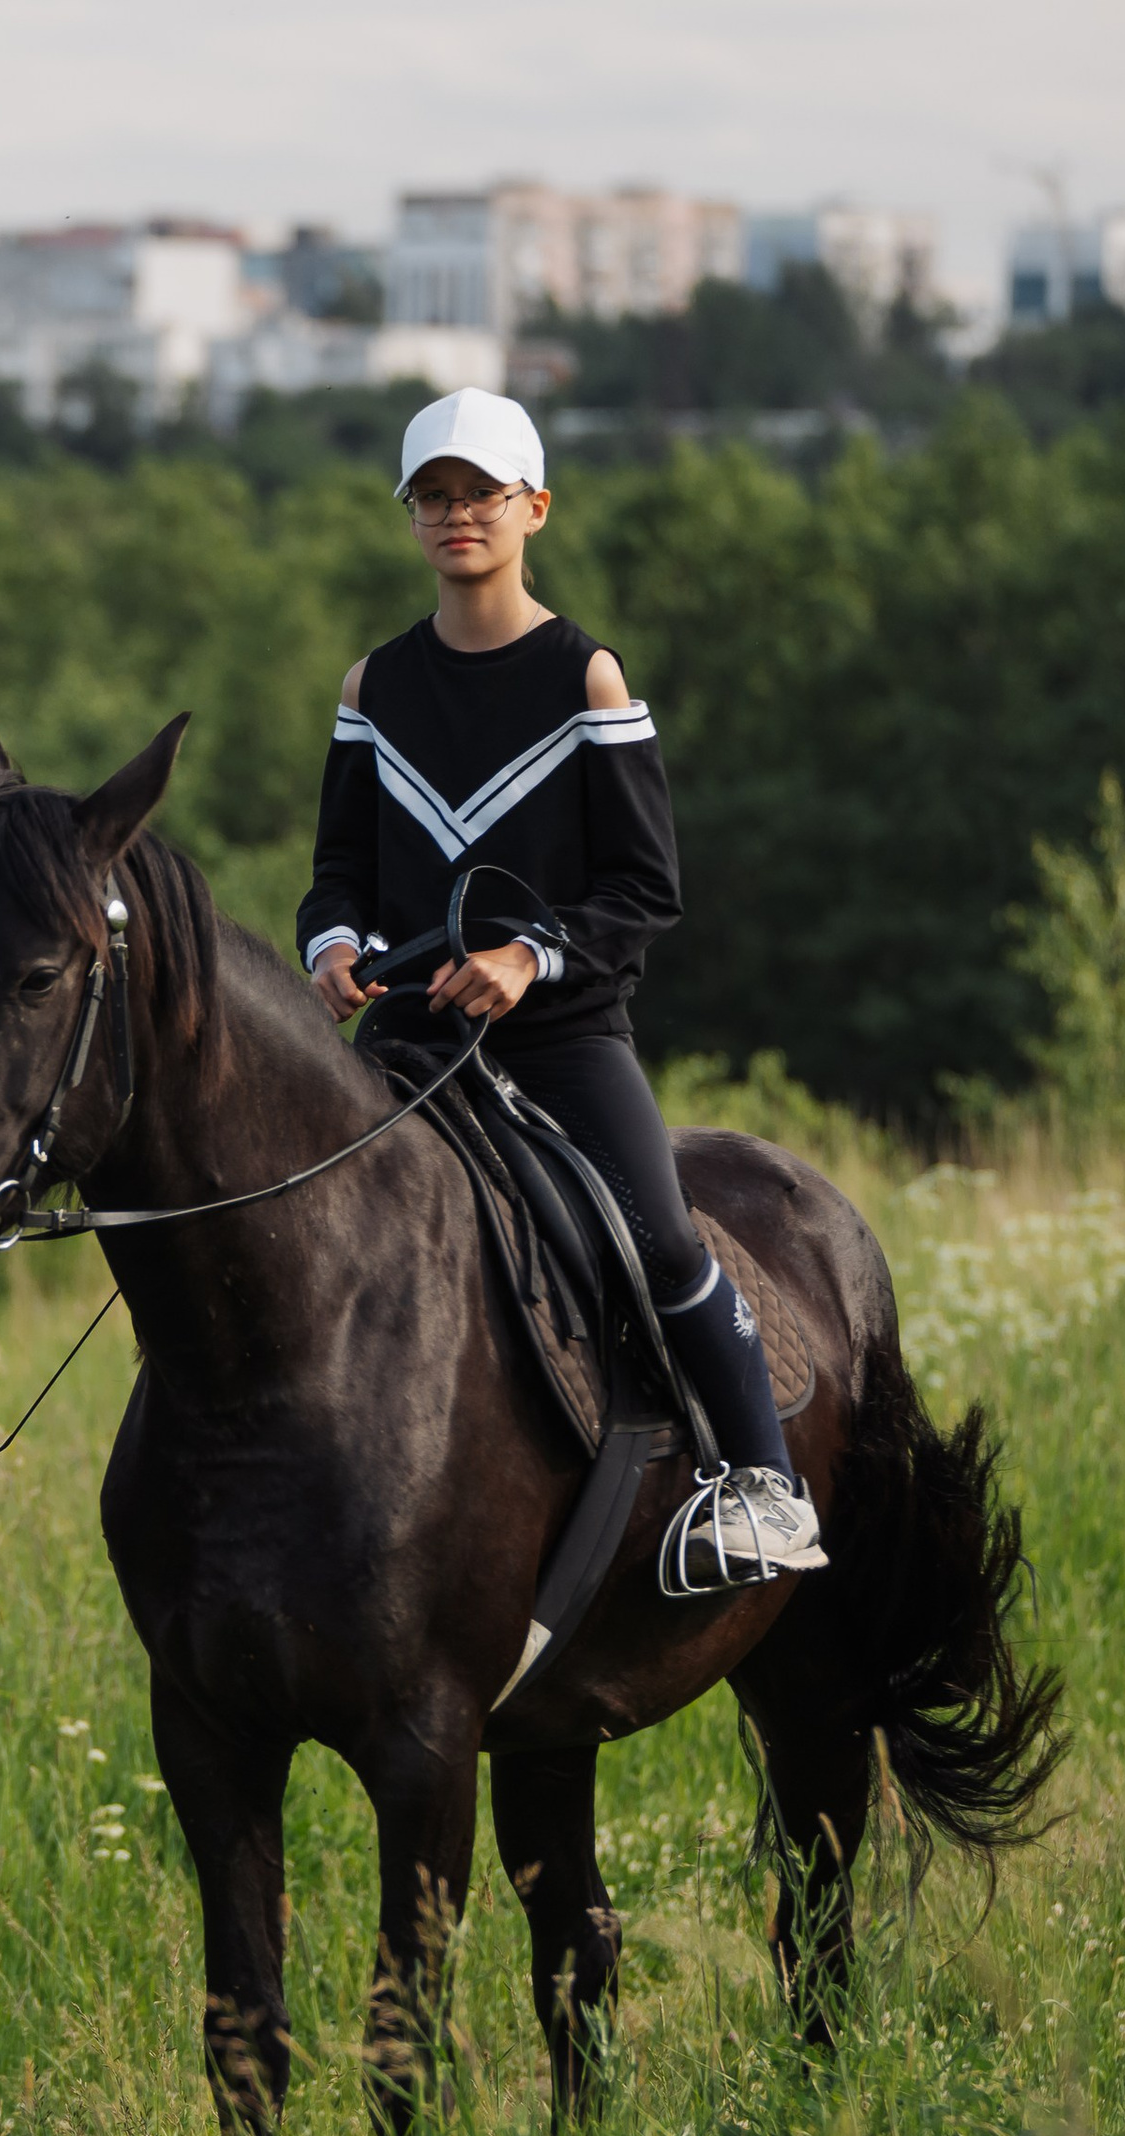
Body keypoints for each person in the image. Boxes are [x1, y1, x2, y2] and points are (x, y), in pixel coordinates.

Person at [296, 386, 825, 1585]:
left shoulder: (587, 676)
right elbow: (336, 875)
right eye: (431, 497)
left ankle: (766, 1485)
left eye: (479, 493)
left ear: (533, 506)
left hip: (565, 1040)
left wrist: (527, 958)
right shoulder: (369, 689)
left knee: (662, 1242)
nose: (455, 515)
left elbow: (645, 891)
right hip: (407, 1042)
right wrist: (328, 946)